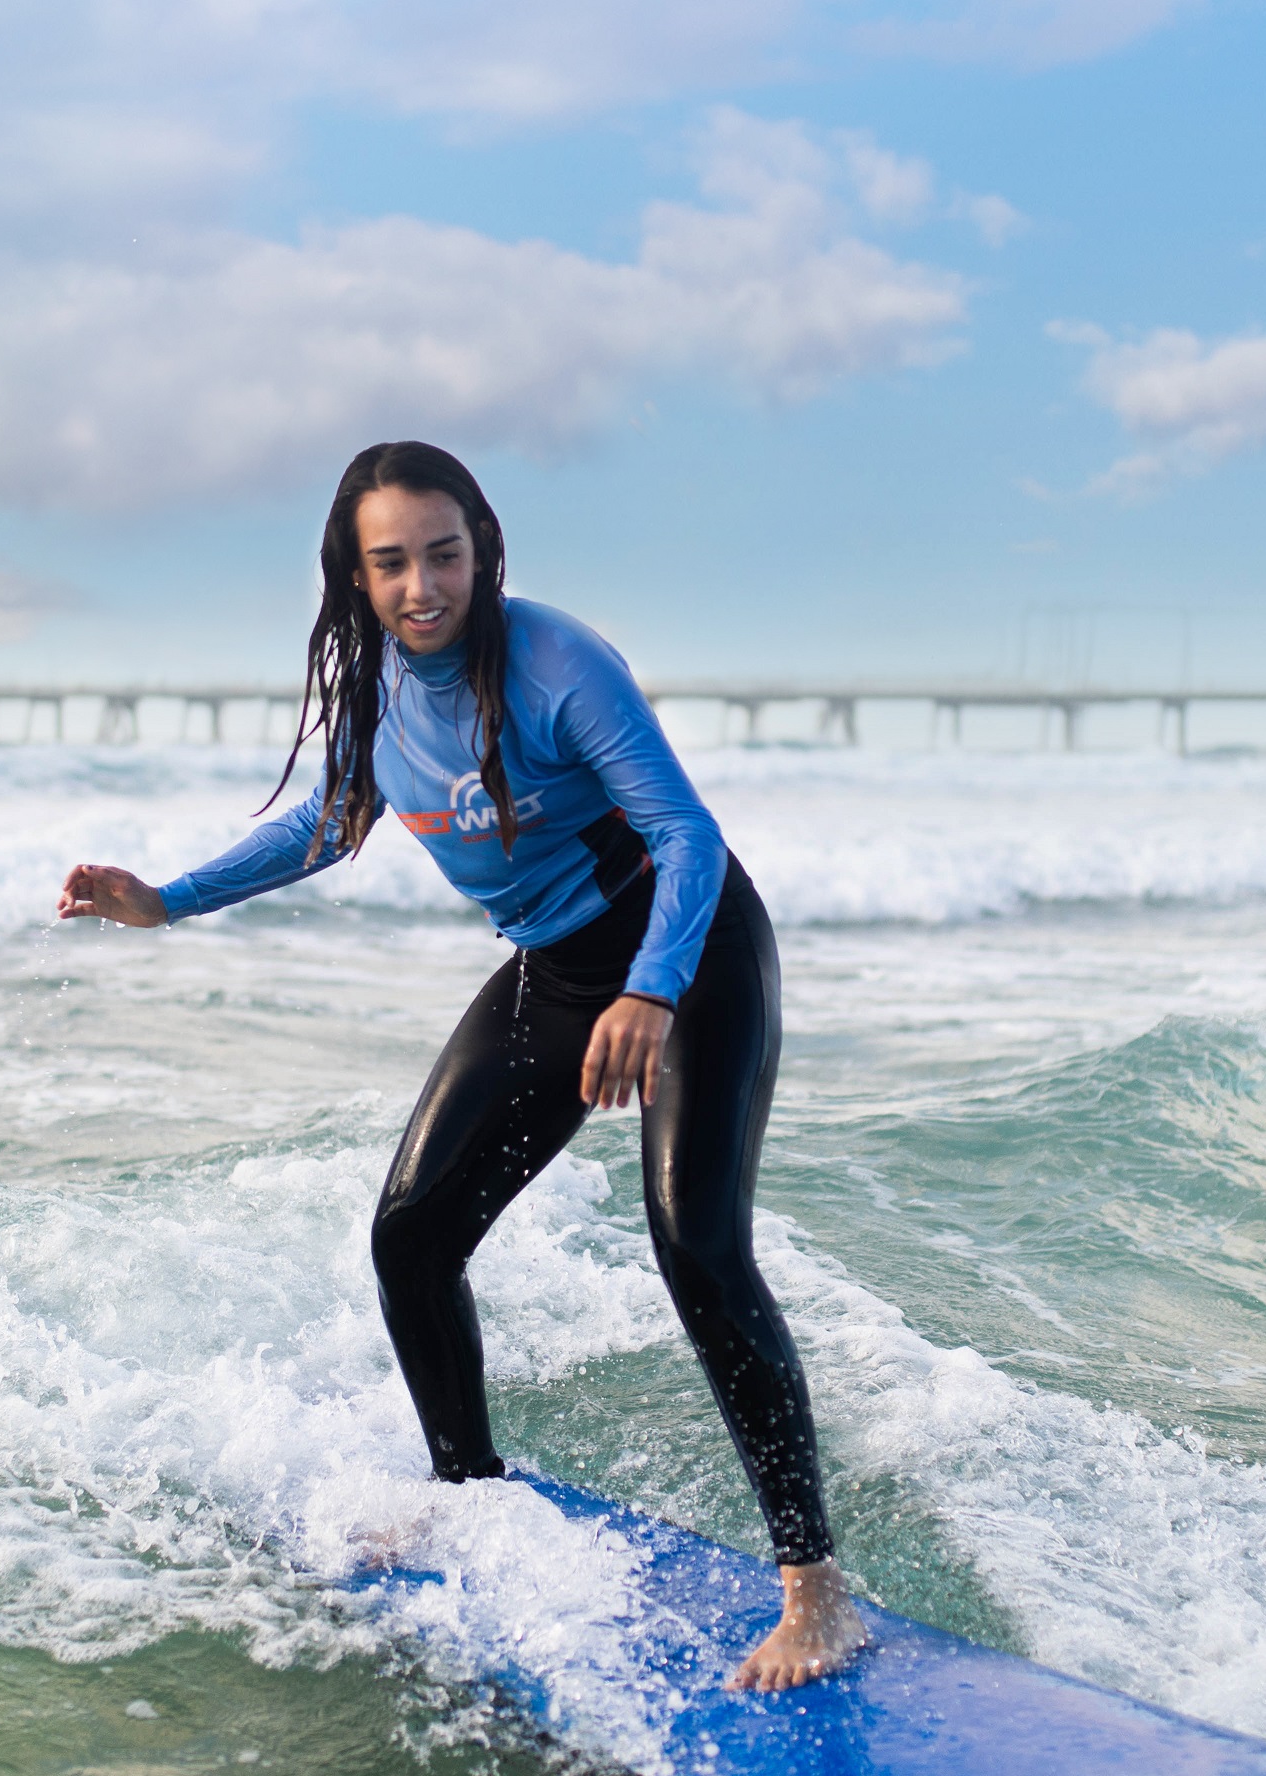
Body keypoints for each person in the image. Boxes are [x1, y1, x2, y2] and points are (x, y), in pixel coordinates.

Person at [59, 441, 864, 1691]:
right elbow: (328, 822)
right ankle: (469, 1496)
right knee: (411, 1236)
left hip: (689, 952)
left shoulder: (557, 663)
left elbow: (685, 835)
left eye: (444, 552)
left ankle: (814, 1587)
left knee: (696, 1241)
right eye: (392, 562)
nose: (423, 584)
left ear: (484, 545)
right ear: (357, 572)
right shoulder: (379, 688)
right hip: (556, 971)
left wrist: (653, 988)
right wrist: (168, 898)